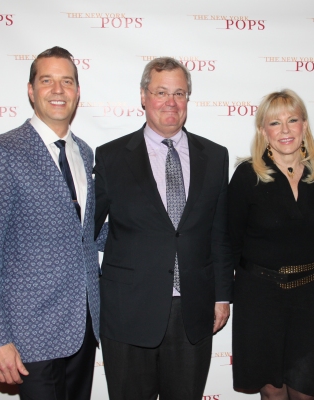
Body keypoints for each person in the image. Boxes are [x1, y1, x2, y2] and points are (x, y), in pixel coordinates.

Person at [0, 46, 106, 400]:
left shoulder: (86, 152)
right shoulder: (2, 152)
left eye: (67, 81)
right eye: (47, 81)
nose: (58, 90)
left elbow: (90, 235)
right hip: (29, 334)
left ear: (77, 92)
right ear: (31, 90)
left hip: (84, 327)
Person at [94, 57, 233, 399]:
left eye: (179, 93)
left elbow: (220, 234)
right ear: (144, 96)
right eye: (161, 92)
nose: (171, 102)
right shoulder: (111, 156)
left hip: (193, 312)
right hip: (128, 313)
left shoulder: (215, 157)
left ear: (188, 99)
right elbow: (86, 231)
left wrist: (222, 296)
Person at [228, 89, 314, 400]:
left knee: (306, 393)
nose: (286, 129)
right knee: (273, 394)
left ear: (304, 125)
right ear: (264, 131)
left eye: (293, 119)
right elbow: (230, 240)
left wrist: (308, 270)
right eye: (275, 123)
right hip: (260, 299)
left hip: (313, 299)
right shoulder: (246, 176)